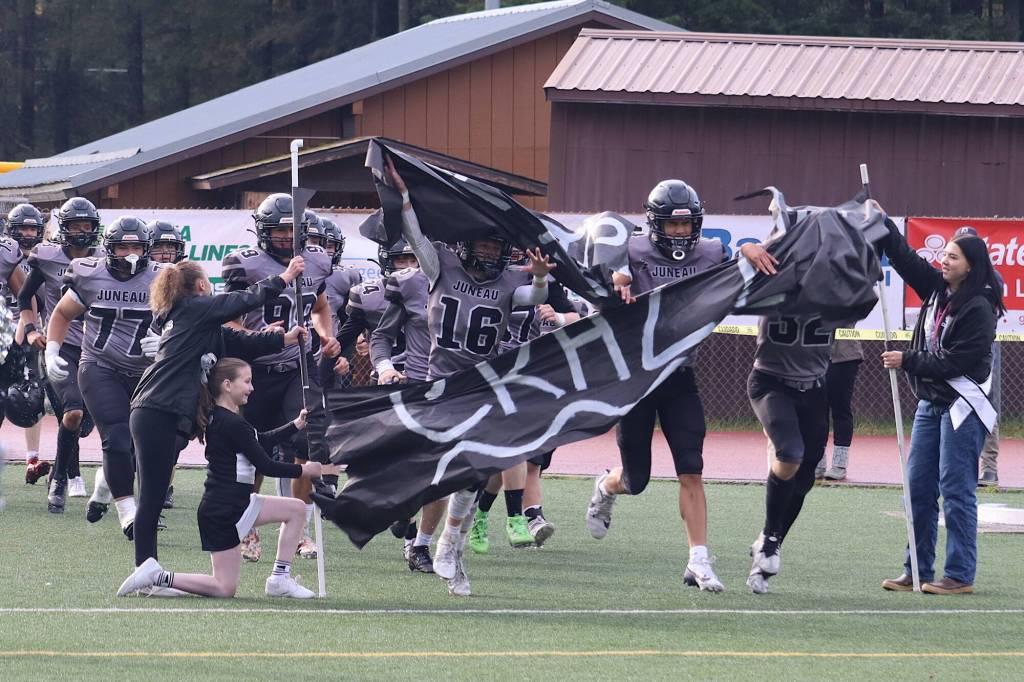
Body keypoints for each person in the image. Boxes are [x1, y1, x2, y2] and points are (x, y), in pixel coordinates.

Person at [586, 179, 767, 593]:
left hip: (680, 376)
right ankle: (605, 486)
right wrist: (615, 272)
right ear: (654, 224)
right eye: (673, 226)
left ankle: (698, 560)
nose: (682, 234)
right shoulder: (631, 250)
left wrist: (745, 249)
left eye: (687, 226)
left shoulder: (711, 252)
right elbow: (602, 230)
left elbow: (733, 268)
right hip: (636, 381)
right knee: (636, 480)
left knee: (692, 468)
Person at [385, 155, 554, 596]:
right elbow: (414, 234)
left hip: (481, 384)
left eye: (496, 248)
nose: (489, 254)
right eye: (482, 246)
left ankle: (449, 546)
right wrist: (404, 195)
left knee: (473, 470)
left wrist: (539, 278)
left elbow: (533, 294)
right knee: (436, 468)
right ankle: (421, 528)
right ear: (466, 246)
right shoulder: (440, 267)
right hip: (439, 383)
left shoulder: (507, 283)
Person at [125, 257, 307, 578]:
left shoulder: (201, 324)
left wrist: (286, 338)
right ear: (199, 286)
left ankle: (148, 569)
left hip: (161, 412)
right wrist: (285, 277)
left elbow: (239, 342)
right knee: (152, 496)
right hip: (158, 410)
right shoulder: (196, 308)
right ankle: (145, 569)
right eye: (208, 283)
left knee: (153, 496)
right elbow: (243, 299)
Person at [117, 358, 340, 599]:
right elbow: (265, 464)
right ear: (227, 385)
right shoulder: (231, 423)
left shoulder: (225, 419)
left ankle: (279, 579)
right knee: (224, 588)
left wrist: (295, 425)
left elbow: (259, 440)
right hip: (225, 510)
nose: (252, 388)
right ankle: (157, 576)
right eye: (247, 381)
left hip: (233, 503)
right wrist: (307, 470)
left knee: (295, 510)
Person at [878, 222, 1003, 595]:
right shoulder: (938, 290)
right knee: (917, 487)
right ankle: (917, 567)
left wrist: (908, 360)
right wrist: (882, 224)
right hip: (931, 404)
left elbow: (954, 363)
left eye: (952, 257)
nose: (943, 261)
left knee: (956, 488)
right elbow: (905, 259)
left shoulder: (979, 307)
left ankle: (960, 575)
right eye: (943, 254)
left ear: (970, 265)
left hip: (963, 405)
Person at [221, 196, 338, 563]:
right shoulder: (244, 263)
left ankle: (297, 525)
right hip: (254, 370)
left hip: (295, 368)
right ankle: (248, 520)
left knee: (308, 440)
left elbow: (319, 306)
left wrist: (324, 334)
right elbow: (229, 319)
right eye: (279, 230)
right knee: (252, 451)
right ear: (263, 232)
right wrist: (259, 336)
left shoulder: (316, 260)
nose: (287, 237)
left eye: (292, 229)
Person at [45, 216, 165, 534]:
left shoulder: (163, 279)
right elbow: (62, 313)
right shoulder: (90, 273)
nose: (129, 253)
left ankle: (102, 488)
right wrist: (52, 349)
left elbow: (187, 319)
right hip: (100, 365)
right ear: (109, 249)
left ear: (147, 248)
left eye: (136, 246)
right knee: (117, 436)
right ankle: (128, 513)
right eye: (122, 246)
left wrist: (167, 339)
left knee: (142, 445)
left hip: (145, 371)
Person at [18, 198, 102, 513]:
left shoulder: (105, 260)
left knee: (85, 424)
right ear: (64, 228)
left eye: (88, 226)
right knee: (73, 414)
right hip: (61, 345)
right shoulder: (48, 257)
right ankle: (59, 482)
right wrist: (30, 330)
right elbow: (25, 296)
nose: (83, 232)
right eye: (77, 226)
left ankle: (59, 471)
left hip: (98, 349)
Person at [368, 250, 447, 572]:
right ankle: (404, 513)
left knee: (443, 475)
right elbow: (381, 337)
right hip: (414, 385)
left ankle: (421, 546)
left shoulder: (486, 288)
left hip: (458, 391)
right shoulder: (412, 286)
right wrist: (385, 368)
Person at [1, 209, 47, 487]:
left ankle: (32, 458)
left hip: (18, 331)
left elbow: (26, 299)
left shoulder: (13, 254)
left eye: (33, 229)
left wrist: (27, 332)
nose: (29, 234)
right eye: (23, 228)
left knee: (28, 398)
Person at [145, 220, 187, 509]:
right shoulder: (135, 276)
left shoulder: (186, 279)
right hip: (134, 361)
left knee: (174, 434)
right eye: (158, 247)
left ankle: (165, 485)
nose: (165, 253)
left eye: (170, 247)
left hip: (172, 365)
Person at [819, 338, 864, 481]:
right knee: (817, 412)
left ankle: (839, 465)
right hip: (816, 356)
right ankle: (816, 463)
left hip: (844, 357)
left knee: (840, 409)